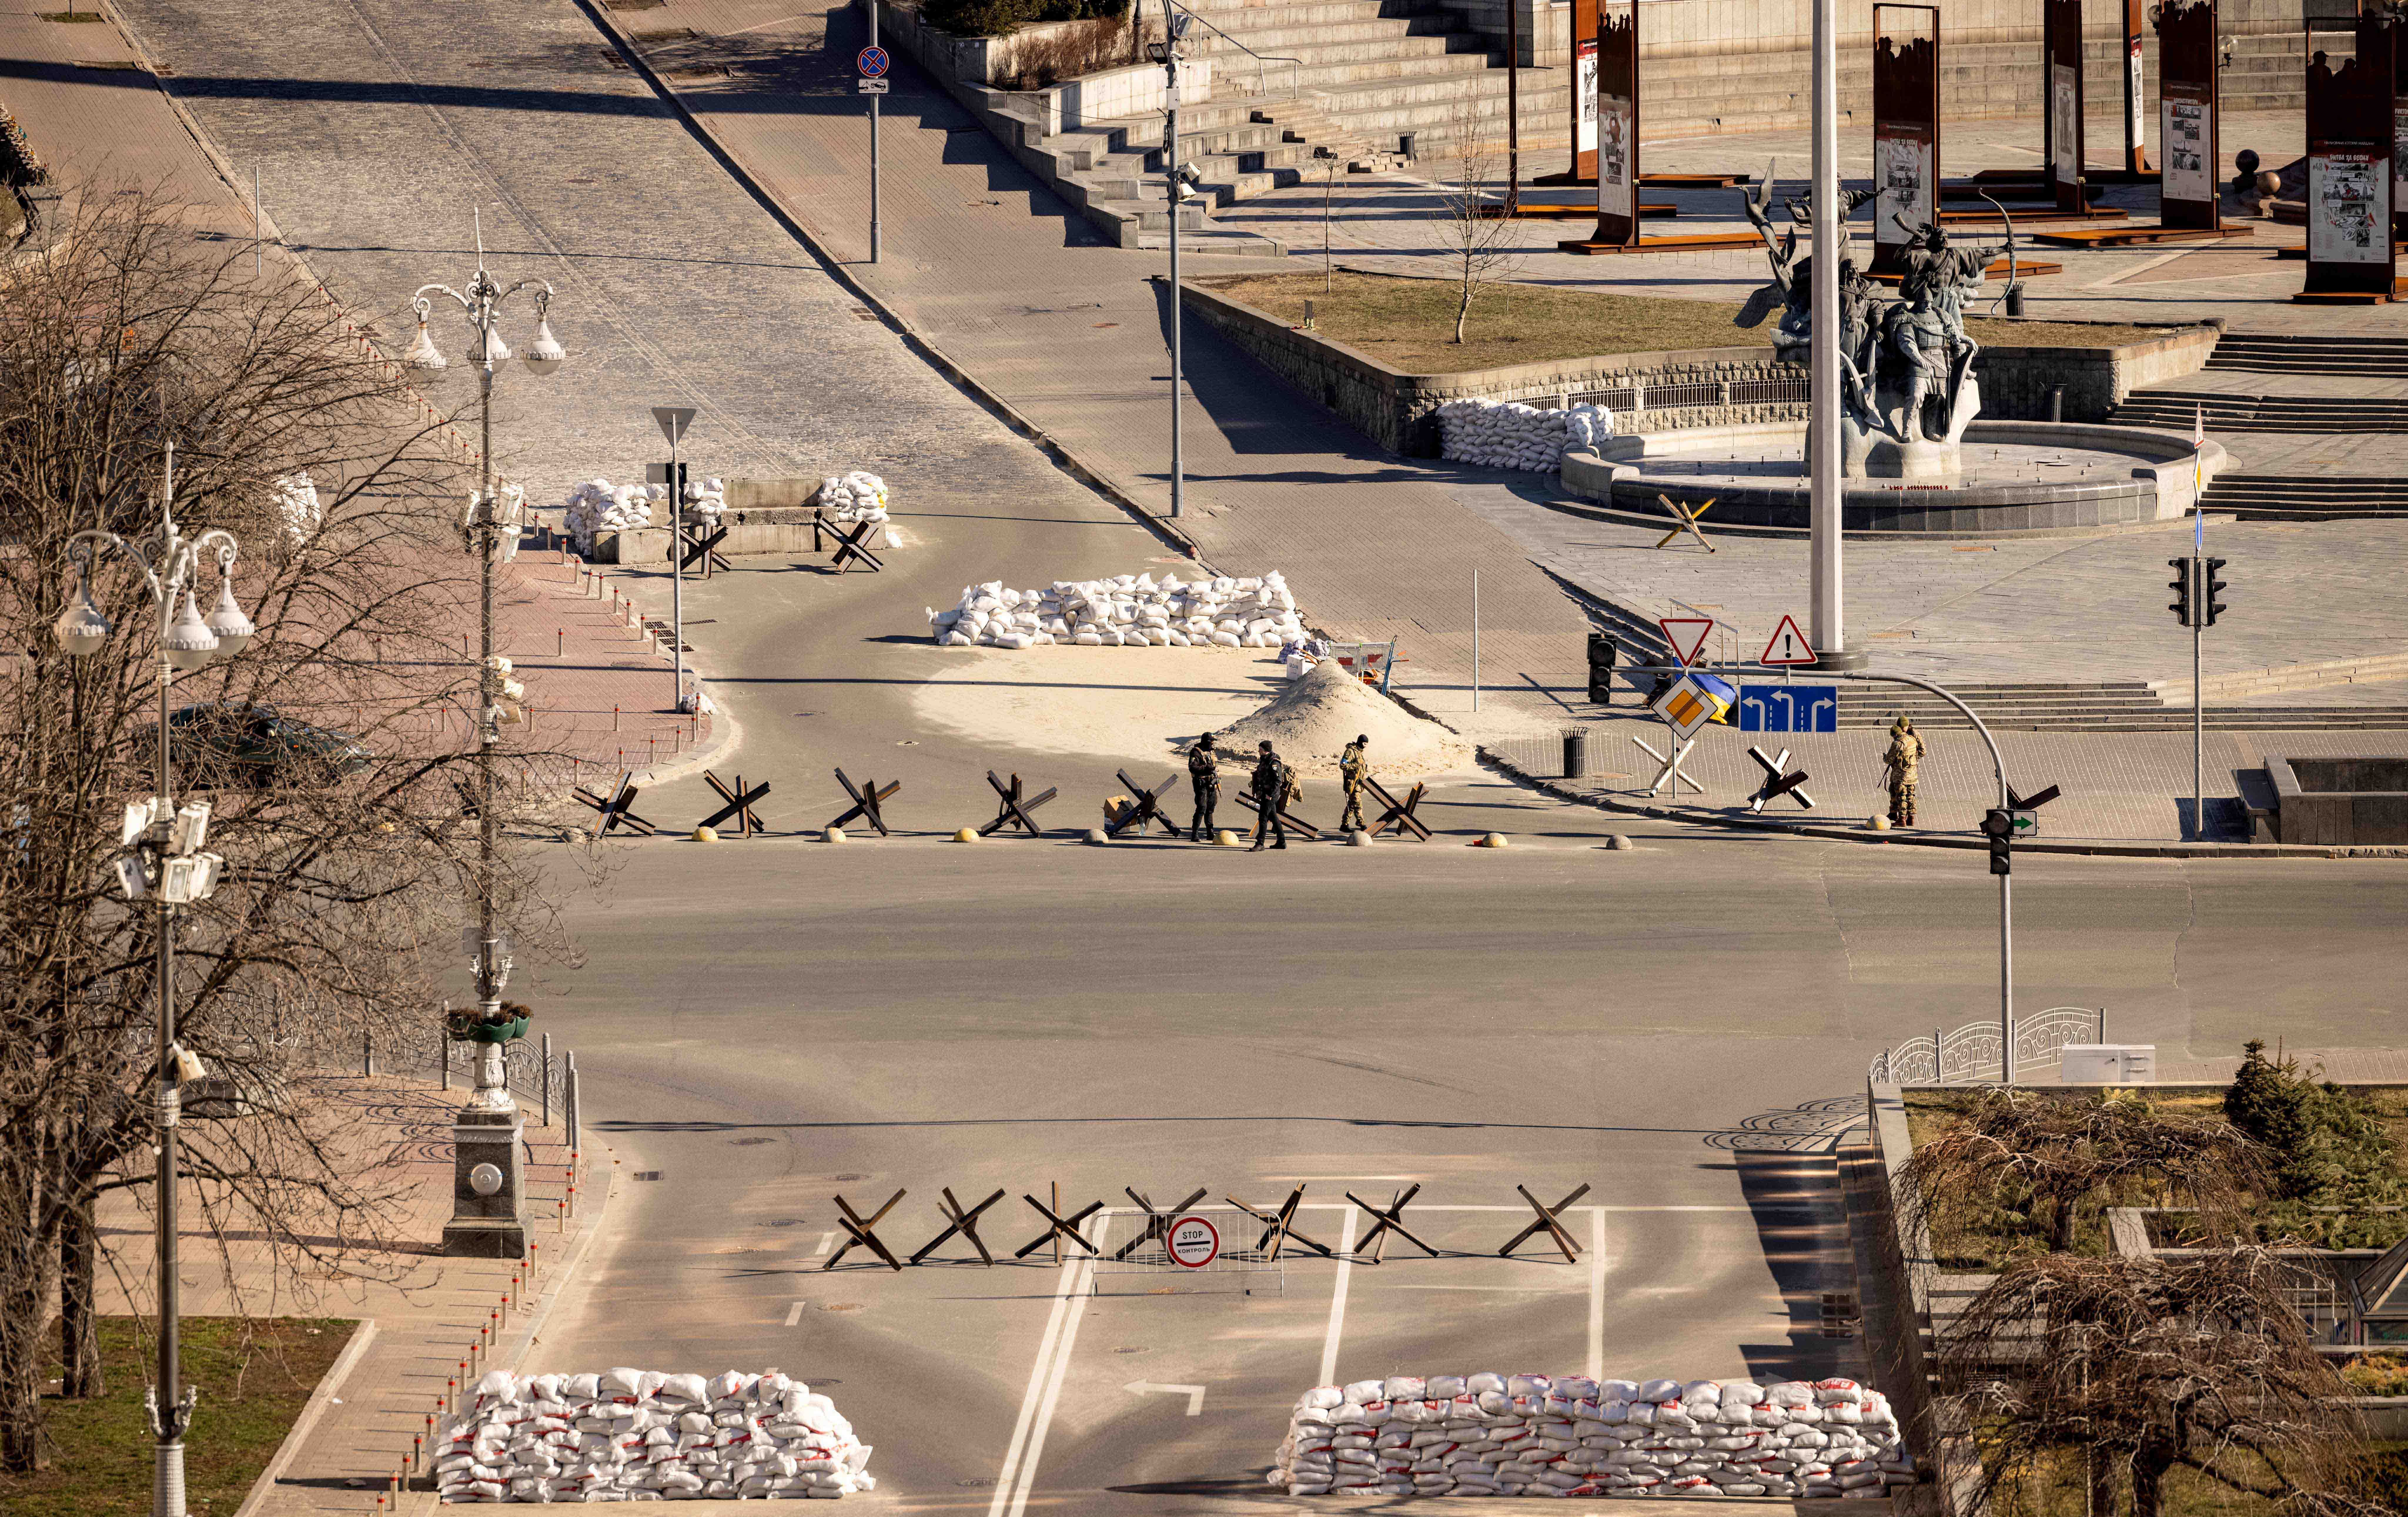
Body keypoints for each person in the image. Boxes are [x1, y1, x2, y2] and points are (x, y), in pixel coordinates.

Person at [1883, 714, 1926, 827]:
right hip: (1910, 773)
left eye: (1903, 728)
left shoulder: (1910, 737)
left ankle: (1902, 819)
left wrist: (1909, 760)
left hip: (1902, 772)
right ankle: (1903, 815)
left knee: (1902, 794)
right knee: (1906, 794)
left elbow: (1922, 751)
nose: (1902, 730)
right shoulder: (1911, 738)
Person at [1248, 739, 1288, 851]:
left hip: (1270, 795)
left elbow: (1278, 781)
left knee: (1263, 818)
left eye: (1261, 750)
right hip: (1265, 793)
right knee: (1274, 817)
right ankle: (1282, 842)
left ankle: (1260, 843)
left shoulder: (1274, 763)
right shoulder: (1264, 761)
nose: (1259, 751)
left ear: (1266, 751)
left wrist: (1270, 796)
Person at [1186, 732, 1220, 841]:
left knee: (1210, 809)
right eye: (1211, 742)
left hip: (1213, 784)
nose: (1213, 744)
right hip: (1202, 784)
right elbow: (1192, 767)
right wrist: (1206, 769)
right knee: (1202, 808)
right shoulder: (1196, 752)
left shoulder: (1212, 751)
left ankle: (1210, 833)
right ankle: (1195, 834)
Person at [1339, 734, 1371, 831]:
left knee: (1352, 805)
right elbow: (1343, 765)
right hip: (1353, 783)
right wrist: (1355, 766)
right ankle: (1362, 824)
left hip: (1359, 784)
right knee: (1358, 804)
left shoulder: (1359, 753)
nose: (1366, 746)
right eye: (1365, 744)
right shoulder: (1350, 752)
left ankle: (1344, 825)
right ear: (1360, 742)